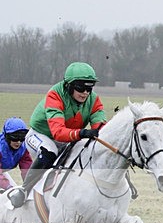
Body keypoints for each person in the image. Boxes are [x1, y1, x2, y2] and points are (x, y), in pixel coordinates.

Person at [8, 62, 107, 208]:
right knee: (50, 152)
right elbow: (58, 132)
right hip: (40, 135)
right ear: (69, 86)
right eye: (81, 87)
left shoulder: (93, 99)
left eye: (89, 88)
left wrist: (101, 132)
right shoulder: (55, 96)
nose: (86, 92)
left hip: (67, 138)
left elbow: (100, 126)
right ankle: (24, 190)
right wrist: (82, 133)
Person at [0, 117, 32, 191]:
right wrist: (8, 187)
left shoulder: (23, 149)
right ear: (7, 137)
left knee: (14, 191)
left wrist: (30, 185)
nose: (18, 142)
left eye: (22, 138)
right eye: (15, 138)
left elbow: (27, 170)